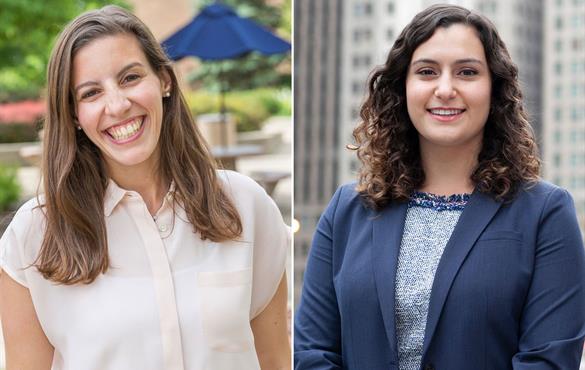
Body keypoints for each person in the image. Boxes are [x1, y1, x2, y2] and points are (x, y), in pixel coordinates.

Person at [294, 4, 585, 370]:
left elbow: (549, 361)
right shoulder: (347, 210)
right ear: (404, 86)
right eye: (427, 72)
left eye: (467, 72)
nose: (445, 89)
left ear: (494, 89)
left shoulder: (545, 213)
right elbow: (312, 353)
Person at [0, 5, 290, 370]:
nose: (118, 105)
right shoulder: (32, 237)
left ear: (164, 80)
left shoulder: (248, 208)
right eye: (91, 93)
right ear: (74, 115)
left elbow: (276, 360)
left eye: (130, 78)